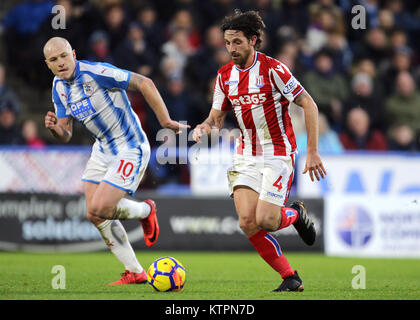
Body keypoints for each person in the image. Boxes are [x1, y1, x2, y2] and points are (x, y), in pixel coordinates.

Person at [193, 10, 326, 292]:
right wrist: (203, 128)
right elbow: (215, 119)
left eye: (237, 42)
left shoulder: (274, 69)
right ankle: (290, 278)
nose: (231, 49)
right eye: (227, 43)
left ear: (253, 40)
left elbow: (309, 105)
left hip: (278, 153)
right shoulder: (223, 77)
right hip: (246, 154)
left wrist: (312, 151)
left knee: (267, 219)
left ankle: (294, 214)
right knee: (247, 222)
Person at [43, 37, 189, 285]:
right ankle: (135, 271)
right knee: (94, 214)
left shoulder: (98, 72)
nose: (60, 63)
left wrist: (165, 121)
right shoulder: (59, 87)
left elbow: (145, 83)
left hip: (129, 146)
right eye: (54, 60)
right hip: (102, 149)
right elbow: (66, 133)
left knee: (101, 207)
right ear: (47, 64)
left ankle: (146, 210)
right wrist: (55, 129)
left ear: (74, 54)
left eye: (64, 56)